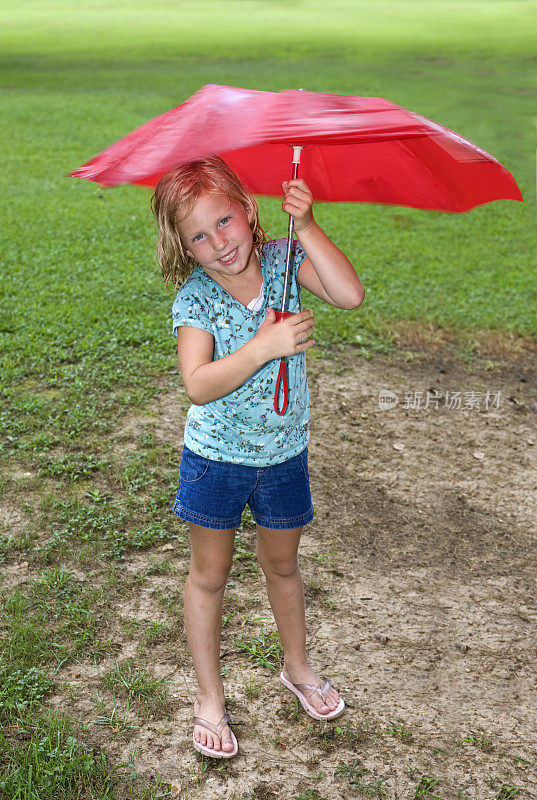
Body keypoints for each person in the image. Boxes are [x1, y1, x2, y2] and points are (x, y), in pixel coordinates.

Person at [151, 155, 365, 759]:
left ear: (248, 210)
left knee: (283, 567)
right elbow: (197, 383)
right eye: (198, 234)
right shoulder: (196, 299)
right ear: (183, 247)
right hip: (215, 460)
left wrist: (309, 227)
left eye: (224, 221)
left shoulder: (283, 263)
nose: (219, 243)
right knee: (209, 576)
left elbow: (349, 294)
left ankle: (296, 668)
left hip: (283, 457)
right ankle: (209, 698)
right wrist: (263, 345)